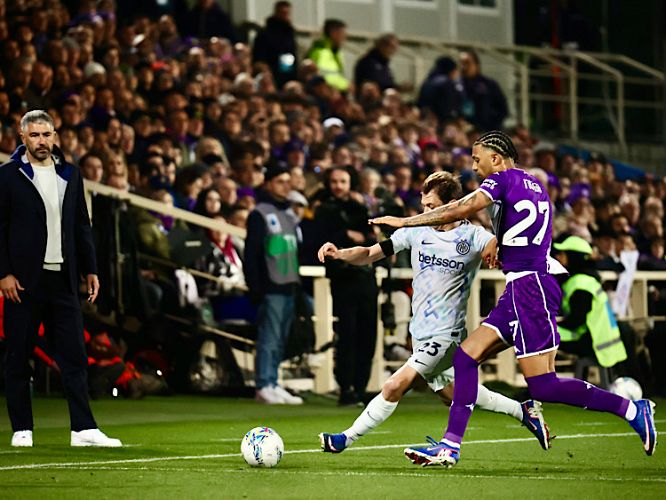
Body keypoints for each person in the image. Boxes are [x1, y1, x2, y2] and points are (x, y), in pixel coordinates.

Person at [370, 131, 656, 467]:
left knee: (544, 386)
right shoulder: (536, 186)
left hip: (529, 288)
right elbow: (528, 232)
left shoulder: (501, 179)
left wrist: (405, 222)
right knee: (465, 357)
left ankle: (631, 409)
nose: (474, 167)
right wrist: (500, 244)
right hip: (525, 285)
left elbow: (462, 207)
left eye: (477, 159)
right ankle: (450, 446)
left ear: (496, 158)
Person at [317, 172, 550, 453]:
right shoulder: (417, 231)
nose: (426, 212)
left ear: (451, 205)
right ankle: (524, 411)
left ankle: (344, 439)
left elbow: (497, 247)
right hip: (421, 332)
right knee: (454, 394)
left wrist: (498, 249)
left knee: (394, 385)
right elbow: (369, 254)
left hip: (447, 335)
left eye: (432, 207)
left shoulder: (473, 236)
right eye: (424, 206)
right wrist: (340, 253)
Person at [0, 110, 121, 447]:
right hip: (23, 282)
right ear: (22, 137)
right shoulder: (7, 176)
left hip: (63, 280)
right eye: (35, 135)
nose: (41, 141)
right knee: (18, 356)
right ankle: (22, 428)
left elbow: (82, 225)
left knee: (74, 356)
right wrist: (3, 273)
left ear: (55, 136)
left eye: (46, 134)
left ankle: (83, 429)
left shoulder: (70, 173)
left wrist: (90, 268)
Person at [314, 167, 378, 405]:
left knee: (368, 333)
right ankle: (346, 388)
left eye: (343, 181)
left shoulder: (359, 208)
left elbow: (371, 239)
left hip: (365, 278)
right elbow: (321, 240)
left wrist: (357, 238)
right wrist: (349, 236)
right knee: (347, 334)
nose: (338, 185)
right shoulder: (322, 209)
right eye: (334, 181)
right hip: (343, 279)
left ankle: (360, 387)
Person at [244, 165, 303, 405]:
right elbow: (252, 253)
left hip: (289, 284)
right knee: (269, 337)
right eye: (280, 181)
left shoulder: (289, 214)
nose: (286, 186)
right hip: (271, 285)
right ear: (268, 184)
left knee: (280, 338)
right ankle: (263, 384)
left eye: (288, 181)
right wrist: (255, 286)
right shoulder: (259, 213)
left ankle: (273, 382)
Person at [553, 235, 628, 369]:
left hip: (591, 342)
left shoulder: (581, 283)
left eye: (563, 254)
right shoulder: (588, 279)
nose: (558, 258)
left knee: (539, 333)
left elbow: (577, 320)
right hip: (600, 341)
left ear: (573, 257)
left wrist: (551, 325)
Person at [458, 50, 508, 131]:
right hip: (465, 133)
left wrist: (491, 125)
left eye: (467, 63)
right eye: (461, 63)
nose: (463, 67)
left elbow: (503, 109)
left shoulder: (489, 85)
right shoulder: (456, 86)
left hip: (487, 131)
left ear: (477, 65)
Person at [252, 1, 298, 89]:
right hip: (271, 74)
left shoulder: (289, 34)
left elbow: (289, 54)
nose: (285, 16)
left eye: (287, 13)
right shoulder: (265, 34)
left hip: (286, 73)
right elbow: (259, 56)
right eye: (283, 13)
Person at [417, 56, 464, 124]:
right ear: (452, 70)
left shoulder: (428, 81)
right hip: (439, 122)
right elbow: (448, 107)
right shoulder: (447, 82)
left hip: (425, 119)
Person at [307, 19, 349, 92]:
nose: (344, 37)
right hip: (324, 94)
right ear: (333, 33)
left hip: (337, 93)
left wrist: (346, 85)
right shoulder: (319, 52)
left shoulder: (337, 54)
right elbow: (317, 77)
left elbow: (337, 76)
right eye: (342, 33)